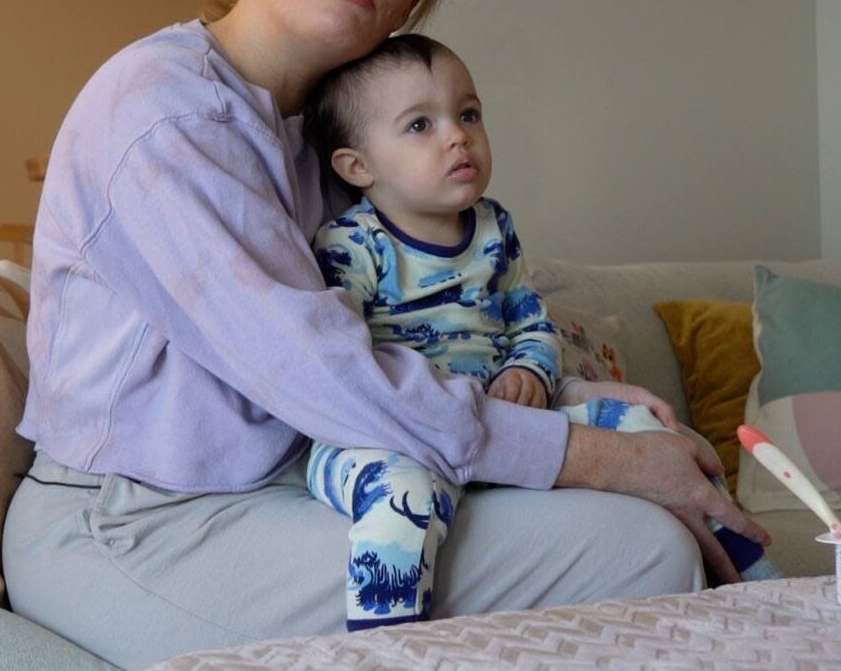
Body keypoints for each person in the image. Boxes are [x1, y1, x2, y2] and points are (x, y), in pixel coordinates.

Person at [1, 0, 769, 669]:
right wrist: (595, 457)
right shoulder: (166, 112)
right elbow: (323, 369)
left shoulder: (334, 145)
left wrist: (584, 399)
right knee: (641, 547)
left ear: (413, 1)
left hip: (292, 493)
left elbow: (434, 325)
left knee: (643, 532)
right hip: (130, 525)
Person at [303, 34, 779, 630]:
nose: (458, 135)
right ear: (357, 166)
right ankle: (386, 647)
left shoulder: (492, 227)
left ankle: (761, 590)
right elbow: (343, 366)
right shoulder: (351, 243)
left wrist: (526, 368)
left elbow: (531, 320)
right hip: (391, 434)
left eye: (467, 114)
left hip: (503, 417)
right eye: (420, 125)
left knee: (655, 435)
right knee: (403, 500)